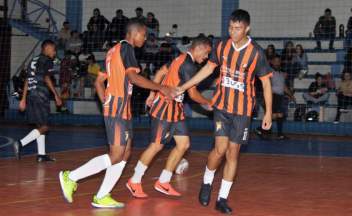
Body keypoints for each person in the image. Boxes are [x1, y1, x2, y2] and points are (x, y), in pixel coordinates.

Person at [58, 19, 177, 208]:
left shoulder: (113, 51)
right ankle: (70, 176)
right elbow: (133, 77)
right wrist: (161, 88)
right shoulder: (127, 48)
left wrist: (105, 99)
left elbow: (99, 81)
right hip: (118, 108)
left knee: (126, 153)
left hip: (121, 108)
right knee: (116, 154)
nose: (145, 39)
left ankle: (102, 195)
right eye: (144, 35)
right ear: (134, 33)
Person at [177, 9, 273, 214]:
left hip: (243, 111)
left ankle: (222, 198)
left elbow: (265, 84)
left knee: (233, 154)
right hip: (222, 107)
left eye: (237, 28)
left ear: (247, 28)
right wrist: (185, 87)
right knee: (219, 150)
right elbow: (207, 69)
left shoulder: (256, 53)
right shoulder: (221, 46)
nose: (233, 32)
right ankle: (207, 182)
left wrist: (268, 113)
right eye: (230, 27)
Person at [126, 36, 213, 198]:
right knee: (156, 146)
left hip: (176, 108)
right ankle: (134, 180)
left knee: (183, 144)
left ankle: (163, 181)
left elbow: (161, 72)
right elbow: (193, 94)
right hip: (165, 107)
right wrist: (208, 102)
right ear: (199, 48)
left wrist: (152, 93)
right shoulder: (188, 65)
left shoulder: (178, 58)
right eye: (206, 53)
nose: (206, 57)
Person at [13, 40, 62, 162]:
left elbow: (27, 80)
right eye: (53, 49)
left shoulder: (33, 60)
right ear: (47, 48)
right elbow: (46, 77)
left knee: (40, 125)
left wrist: (23, 99)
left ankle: (41, 155)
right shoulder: (47, 60)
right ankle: (20, 143)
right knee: (45, 127)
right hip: (41, 95)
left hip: (31, 95)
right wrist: (56, 95)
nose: (54, 52)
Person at [255, 56, 294, 140]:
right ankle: (262, 130)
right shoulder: (269, 72)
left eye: (278, 61)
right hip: (272, 96)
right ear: (272, 62)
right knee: (274, 115)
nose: (277, 63)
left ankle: (271, 132)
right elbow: (263, 83)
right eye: (275, 61)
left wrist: (291, 95)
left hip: (279, 97)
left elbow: (284, 87)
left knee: (279, 115)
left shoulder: (281, 74)